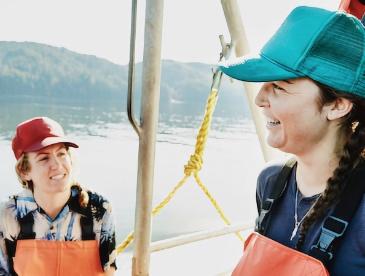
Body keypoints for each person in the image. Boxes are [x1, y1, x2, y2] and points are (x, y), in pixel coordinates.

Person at [219, 5, 365, 276]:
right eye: (264, 85)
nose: (260, 99)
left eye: (279, 87)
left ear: (337, 106)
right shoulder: (271, 182)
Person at [0, 117, 117, 276]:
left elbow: (108, 270)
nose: (57, 165)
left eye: (61, 154)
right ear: (24, 171)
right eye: (44, 158)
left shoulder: (99, 210)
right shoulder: (9, 214)